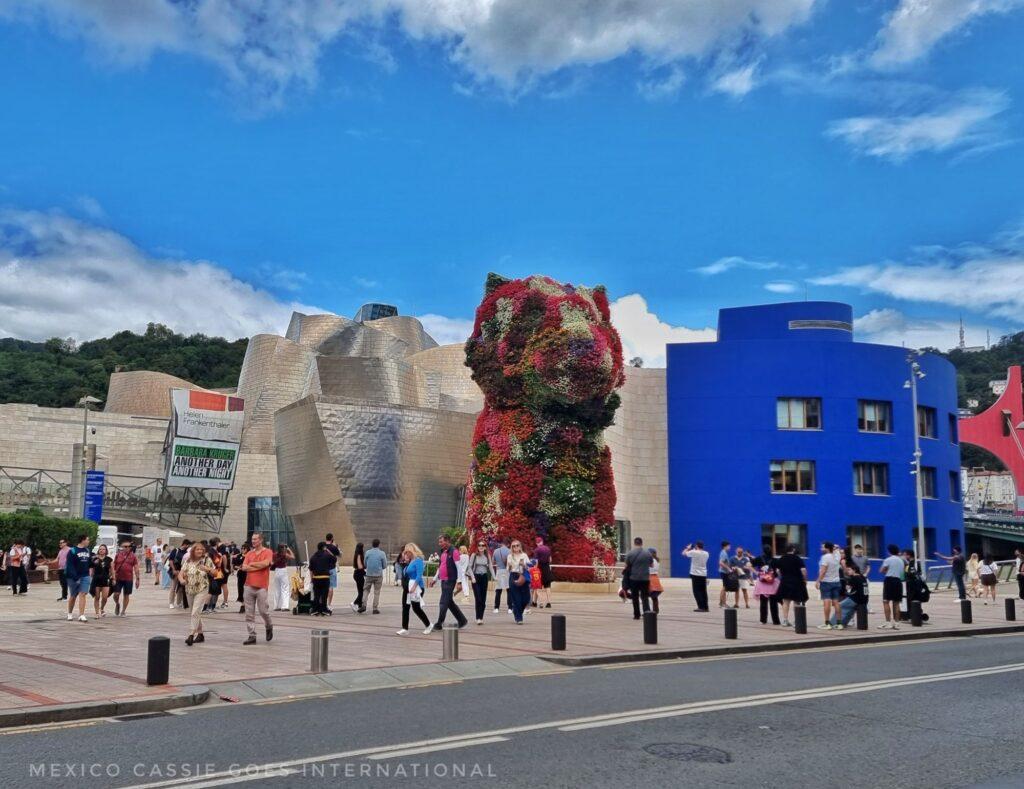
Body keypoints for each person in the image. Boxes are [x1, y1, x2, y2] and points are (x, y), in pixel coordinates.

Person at [426, 534, 468, 632]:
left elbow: (459, 569)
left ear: (447, 541)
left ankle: (439, 624)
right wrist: (435, 579)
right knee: (449, 602)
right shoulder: (443, 552)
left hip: (450, 580)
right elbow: (440, 567)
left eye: (441, 542)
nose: (439, 544)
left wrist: (459, 582)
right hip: (443, 580)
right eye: (439, 542)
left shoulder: (454, 552)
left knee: (443, 602)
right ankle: (462, 620)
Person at [240, 533, 275, 645]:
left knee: (263, 611)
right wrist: (257, 566)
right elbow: (244, 567)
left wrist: (252, 564)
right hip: (248, 585)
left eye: (255, 539)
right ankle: (252, 635)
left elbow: (266, 564)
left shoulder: (268, 552)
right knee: (249, 613)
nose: (253, 541)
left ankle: (269, 625)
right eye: (252, 539)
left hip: (262, 586)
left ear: (261, 540)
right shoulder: (249, 553)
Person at [179, 541, 215, 646]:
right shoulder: (188, 561)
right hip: (189, 589)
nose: (200, 551)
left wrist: (207, 569)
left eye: (201, 549)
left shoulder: (207, 560)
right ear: (193, 551)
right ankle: (200, 634)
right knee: (194, 612)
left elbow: (216, 573)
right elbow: (181, 573)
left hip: (202, 588)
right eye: (197, 549)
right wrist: (181, 580)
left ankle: (191, 635)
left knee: (195, 612)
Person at [397, 544, 431, 635]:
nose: (405, 554)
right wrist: (406, 562)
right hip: (408, 587)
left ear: (411, 551)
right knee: (405, 607)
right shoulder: (410, 561)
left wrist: (414, 587)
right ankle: (405, 628)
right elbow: (406, 573)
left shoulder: (418, 560)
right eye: (404, 552)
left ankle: (428, 625)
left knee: (416, 608)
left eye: (406, 552)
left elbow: (419, 575)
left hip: (417, 587)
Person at [775, 543, 808, 627]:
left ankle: (785, 620)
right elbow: (803, 570)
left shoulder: (782, 558)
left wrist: (782, 577)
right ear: (793, 549)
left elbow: (777, 570)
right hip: (797, 582)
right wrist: (805, 579)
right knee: (796, 601)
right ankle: (796, 621)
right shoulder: (797, 558)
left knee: (786, 602)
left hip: (785, 581)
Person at [64, 534, 93, 622]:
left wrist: (94, 562)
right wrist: (76, 577)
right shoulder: (72, 551)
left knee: (83, 594)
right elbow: (70, 565)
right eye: (87, 539)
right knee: (73, 596)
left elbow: (89, 563)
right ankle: (69, 613)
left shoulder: (88, 550)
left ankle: (81, 615)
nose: (88, 541)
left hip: (85, 575)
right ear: (82, 540)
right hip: (73, 577)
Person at [816, 541, 843, 630]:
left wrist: (818, 581)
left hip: (826, 582)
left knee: (826, 602)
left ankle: (827, 623)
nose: (821, 549)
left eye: (823, 547)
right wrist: (834, 547)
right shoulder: (837, 555)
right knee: (836, 602)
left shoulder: (825, 557)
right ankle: (839, 623)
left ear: (827, 548)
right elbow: (837, 547)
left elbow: (823, 571)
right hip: (836, 581)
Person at [624, 537, 653, 620]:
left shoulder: (630, 553)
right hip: (645, 578)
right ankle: (646, 612)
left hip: (634, 578)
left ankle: (636, 615)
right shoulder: (648, 553)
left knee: (635, 597)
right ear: (641, 543)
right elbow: (651, 565)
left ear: (634, 543)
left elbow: (626, 566)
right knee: (644, 596)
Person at [111, 539, 140, 616]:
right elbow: (113, 566)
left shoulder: (133, 556)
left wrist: (137, 579)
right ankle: (117, 603)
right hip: (118, 578)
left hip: (128, 578)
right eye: (125, 546)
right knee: (116, 594)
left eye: (129, 546)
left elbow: (136, 567)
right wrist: (112, 576)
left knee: (126, 595)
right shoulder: (118, 555)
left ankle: (123, 611)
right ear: (122, 547)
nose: (127, 548)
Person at [505, 539, 531, 625]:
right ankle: (519, 618)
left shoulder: (524, 555)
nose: (515, 547)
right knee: (516, 598)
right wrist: (509, 566)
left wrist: (524, 565)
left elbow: (529, 567)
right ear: (511, 548)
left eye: (517, 545)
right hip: (513, 576)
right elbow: (507, 569)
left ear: (520, 546)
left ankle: (516, 610)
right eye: (513, 546)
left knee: (526, 598)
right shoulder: (509, 556)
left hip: (523, 576)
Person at [879, 544, 905, 629]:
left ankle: (888, 622)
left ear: (889, 551)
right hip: (898, 581)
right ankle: (897, 623)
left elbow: (882, 570)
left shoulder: (888, 560)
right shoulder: (901, 561)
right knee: (896, 602)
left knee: (886, 601)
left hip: (889, 580)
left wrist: (887, 571)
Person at [753, 547, 781, 625]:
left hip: (762, 583)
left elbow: (749, 564)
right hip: (773, 582)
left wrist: (757, 573)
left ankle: (763, 620)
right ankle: (776, 621)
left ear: (763, 551)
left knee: (763, 603)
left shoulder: (759, 558)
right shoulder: (775, 560)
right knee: (774, 603)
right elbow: (779, 570)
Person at [308, 541, 337, 616]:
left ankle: (315, 610)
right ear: (324, 547)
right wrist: (328, 551)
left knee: (316, 595)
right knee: (324, 595)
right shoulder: (327, 555)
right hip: (325, 578)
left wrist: (311, 579)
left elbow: (311, 569)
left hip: (316, 578)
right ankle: (324, 609)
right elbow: (334, 559)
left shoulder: (313, 557)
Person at [836, 562, 869, 628]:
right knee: (850, 609)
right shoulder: (862, 577)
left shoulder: (854, 578)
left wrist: (846, 586)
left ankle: (838, 623)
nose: (848, 571)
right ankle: (844, 623)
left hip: (856, 599)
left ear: (854, 570)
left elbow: (848, 589)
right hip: (865, 599)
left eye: (849, 570)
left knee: (838, 605)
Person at [467, 539, 491, 624]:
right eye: (479, 545)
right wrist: (473, 578)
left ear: (485, 547)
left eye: (483, 545)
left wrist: (495, 577)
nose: (481, 547)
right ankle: (478, 617)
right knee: (478, 598)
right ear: (477, 547)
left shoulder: (487, 555)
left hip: (484, 577)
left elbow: (491, 567)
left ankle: (481, 617)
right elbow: (469, 567)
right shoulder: (474, 555)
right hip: (476, 578)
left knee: (483, 599)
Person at [682, 542, 709, 612]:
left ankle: (700, 607)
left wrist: (688, 548)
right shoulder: (706, 553)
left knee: (696, 591)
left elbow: (683, 553)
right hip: (703, 574)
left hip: (695, 574)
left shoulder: (693, 552)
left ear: (697, 546)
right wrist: (694, 549)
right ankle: (706, 607)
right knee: (703, 591)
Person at [363, 538, 388, 614]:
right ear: (379, 544)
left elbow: (365, 563)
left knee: (366, 590)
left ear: (372, 544)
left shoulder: (367, 552)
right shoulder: (382, 553)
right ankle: (375, 608)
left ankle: (364, 605)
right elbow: (385, 565)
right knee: (377, 592)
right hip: (378, 575)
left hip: (369, 574)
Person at [90, 544, 113, 616]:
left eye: (103, 549)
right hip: (96, 579)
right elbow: (91, 568)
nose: (101, 550)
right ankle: (97, 612)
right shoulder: (94, 558)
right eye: (100, 549)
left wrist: (114, 578)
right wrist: (91, 575)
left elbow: (112, 570)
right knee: (97, 597)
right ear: (98, 550)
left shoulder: (109, 559)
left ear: (106, 551)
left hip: (105, 579)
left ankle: (102, 608)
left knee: (105, 597)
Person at [271, 543, 294, 611]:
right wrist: (289, 549)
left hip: (277, 571)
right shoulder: (284, 555)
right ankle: (284, 606)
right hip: (283, 570)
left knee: (277, 589)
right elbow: (293, 557)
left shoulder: (274, 554)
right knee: (285, 589)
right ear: (283, 548)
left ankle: (276, 606)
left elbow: (272, 562)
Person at [491, 538, 511, 613]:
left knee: (498, 590)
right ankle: (510, 608)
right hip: (507, 571)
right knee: (509, 590)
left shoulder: (496, 551)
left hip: (499, 571)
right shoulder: (509, 551)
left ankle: (496, 608)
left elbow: (493, 562)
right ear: (508, 544)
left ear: (502, 543)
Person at [533, 536, 553, 608]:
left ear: (536, 543)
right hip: (547, 569)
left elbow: (536, 562)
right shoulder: (548, 549)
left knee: (537, 587)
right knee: (548, 587)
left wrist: (535, 569)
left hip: (539, 570)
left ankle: (536, 603)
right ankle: (549, 603)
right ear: (542, 541)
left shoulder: (536, 550)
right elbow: (550, 560)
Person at [325, 533, 341, 609]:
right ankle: (329, 604)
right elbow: (340, 555)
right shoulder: (333, 547)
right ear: (332, 538)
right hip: (332, 569)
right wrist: (335, 546)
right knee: (330, 587)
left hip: (323, 569)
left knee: (323, 587)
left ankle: (323, 603)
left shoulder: (322, 546)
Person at [351, 542, 366, 613]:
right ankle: (354, 603)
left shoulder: (356, 554)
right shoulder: (359, 555)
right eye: (363, 547)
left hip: (358, 574)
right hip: (359, 574)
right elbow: (360, 566)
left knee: (360, 590)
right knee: (362, 592)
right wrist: (365, 567)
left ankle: (360, 605)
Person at [717, 540, 733, 608]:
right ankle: (723, 603)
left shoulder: (724, 553)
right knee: (725, 588)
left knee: (724, 587)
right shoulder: (724, 553)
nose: (730, 547)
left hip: (724, 572)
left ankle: (721, 602)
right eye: (729, 546)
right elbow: (720, 563)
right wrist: (728, 569)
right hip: (724, 572)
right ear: (725, 546)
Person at [233, 542, 249, 610]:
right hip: (240, 574)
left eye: (244, 548)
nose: (242, 549)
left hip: (247, 574)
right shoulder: (239, 556)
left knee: (246, 590)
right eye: (241, 548)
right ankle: (243, 603)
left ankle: (244, 605)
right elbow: (234, 565)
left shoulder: (249, 556)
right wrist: (237, 567)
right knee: (240, 589)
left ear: (247, 549)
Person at [648, 548, 663, 614]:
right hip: (655, 578)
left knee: (646, 595)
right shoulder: (657, 560)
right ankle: (656, 610)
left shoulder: (650, 560)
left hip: (650, 578)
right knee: (654, 596)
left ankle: (648, 610)